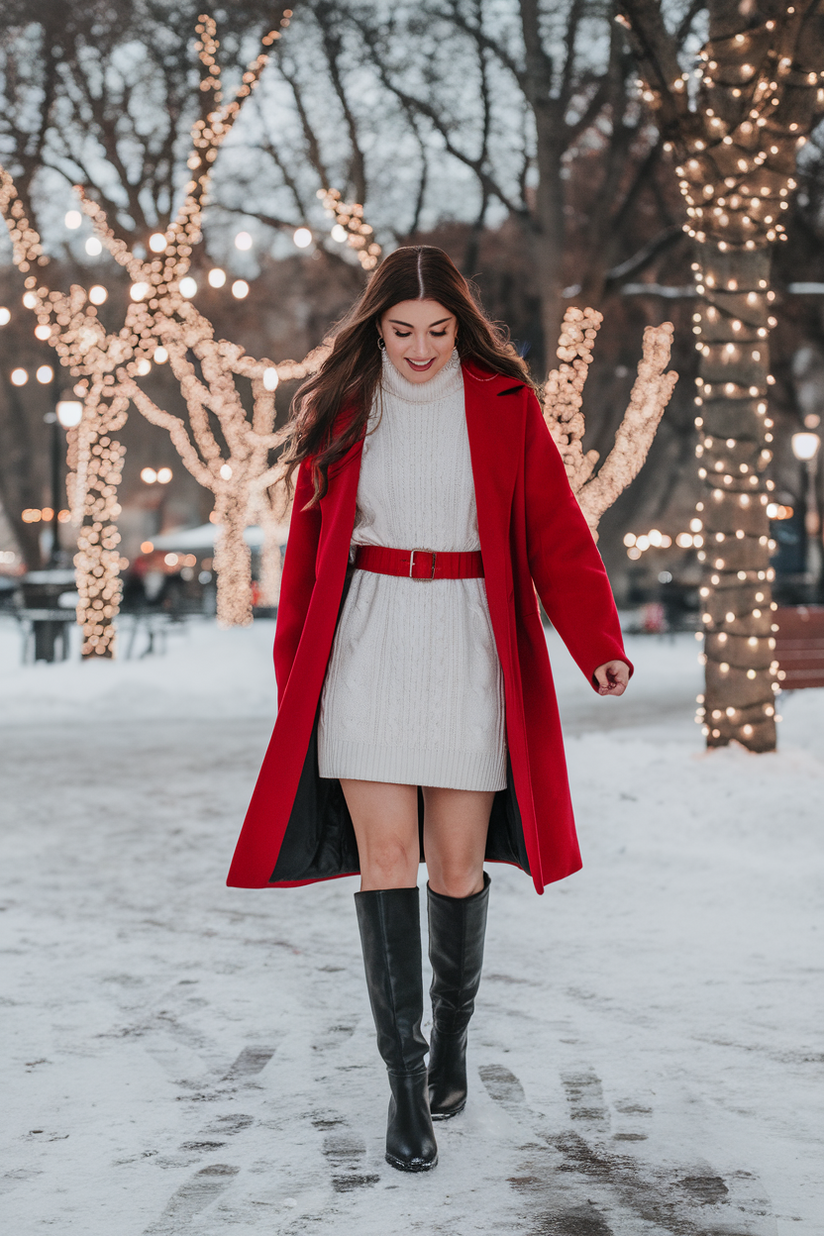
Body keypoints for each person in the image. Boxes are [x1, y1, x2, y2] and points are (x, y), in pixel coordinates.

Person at [227, 246, 632, 1173]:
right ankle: (404, 1082)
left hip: (467, 643)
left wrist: (598, 643)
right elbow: (305, 554)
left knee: (454, 865)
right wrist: (297, 673)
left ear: (461, 326)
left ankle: (451, 1038)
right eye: (401, 331)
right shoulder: (340, 407)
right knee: (386, 859)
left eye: (436, 331)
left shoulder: (504, 403)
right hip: (366, 643)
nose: (418, 349)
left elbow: (556, 533)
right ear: (376, 326)